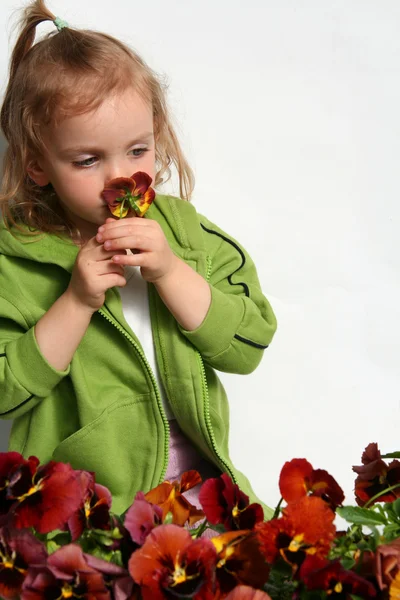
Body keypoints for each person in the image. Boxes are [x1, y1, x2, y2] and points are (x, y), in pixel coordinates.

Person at [0, 0, 277, 518]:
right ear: (37, 164)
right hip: (85, 508)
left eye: (137, 151)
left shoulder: (185, 233)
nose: (119, 178)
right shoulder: (15, 262)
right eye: (87, 160)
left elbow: (249, 345)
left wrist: (172, 271)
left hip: (201, 493)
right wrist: (77, 301)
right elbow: (4, 394)